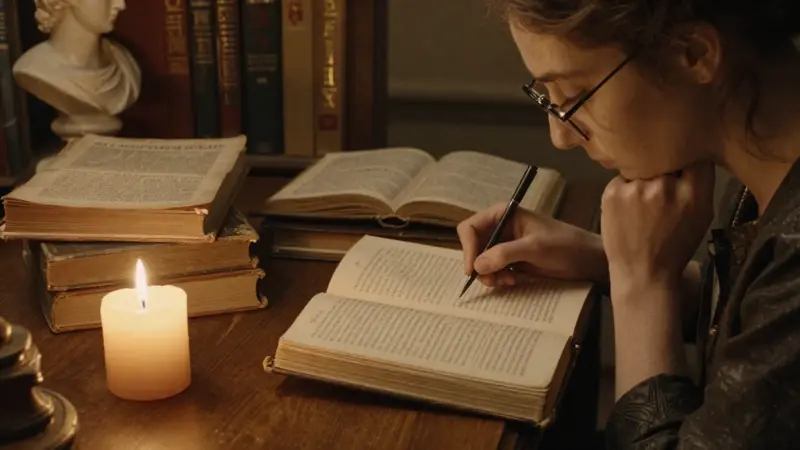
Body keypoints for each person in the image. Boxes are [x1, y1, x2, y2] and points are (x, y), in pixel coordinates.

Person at [458, 1, 800, 448]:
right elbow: (764, 320)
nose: (560, 137)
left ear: (693, 53)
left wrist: (644, 286)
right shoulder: (767, 170)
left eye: (575, 94)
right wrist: (606, 260)